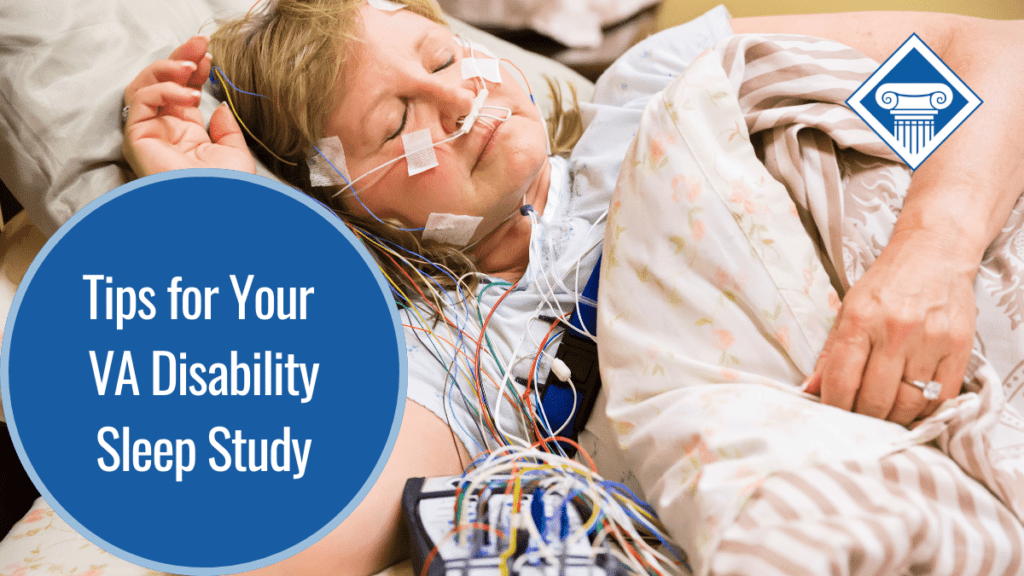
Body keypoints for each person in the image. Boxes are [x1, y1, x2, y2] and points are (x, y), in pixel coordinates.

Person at [121, 1, 1024, 574]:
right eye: (397, 121)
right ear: (353, 208)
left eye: (439, 58)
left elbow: (988, 58)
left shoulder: (660, 91)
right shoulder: (457, 364)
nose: (458, 102)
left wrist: (931, 249)